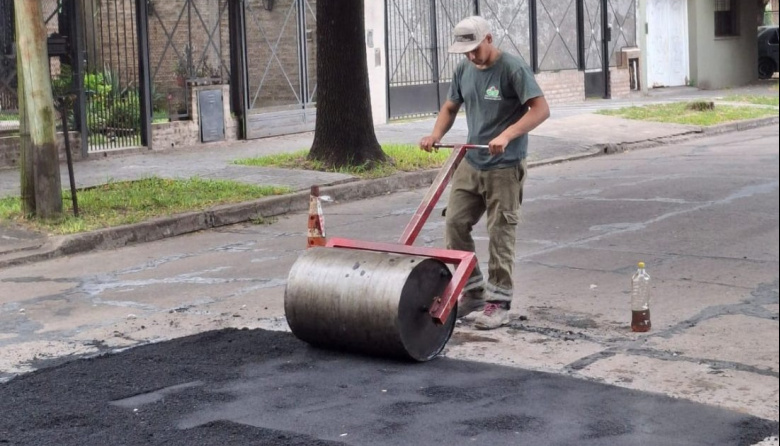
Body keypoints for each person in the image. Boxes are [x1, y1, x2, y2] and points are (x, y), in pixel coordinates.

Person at [419, 15, 550, 330]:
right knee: (454, 223)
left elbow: (541, 109)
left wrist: (507, 135)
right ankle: (474, 290)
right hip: (472, 160)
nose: (471, 56)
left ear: (489, 39)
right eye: (465, 51)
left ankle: (499, 302)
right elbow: (451, 106)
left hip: (505, 166)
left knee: (500, 232)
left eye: (475, 48)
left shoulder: (512, 69)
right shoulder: (464, 69)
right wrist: (436, 134)